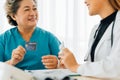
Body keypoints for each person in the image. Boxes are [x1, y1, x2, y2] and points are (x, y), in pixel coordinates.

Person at [59, 0, 120, 78]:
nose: (85, 1)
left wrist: (75, 67)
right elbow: (95, 67)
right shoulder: (96, 29)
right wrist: (69, 67)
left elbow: (117, 67)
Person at [0, 0, 60, 70]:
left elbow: (68, 65)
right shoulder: (3, 40)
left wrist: (57, 64)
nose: (32, 13)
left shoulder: (49, 38)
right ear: (13, 16)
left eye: (34, 9)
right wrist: (11, 62)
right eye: (27, 9)